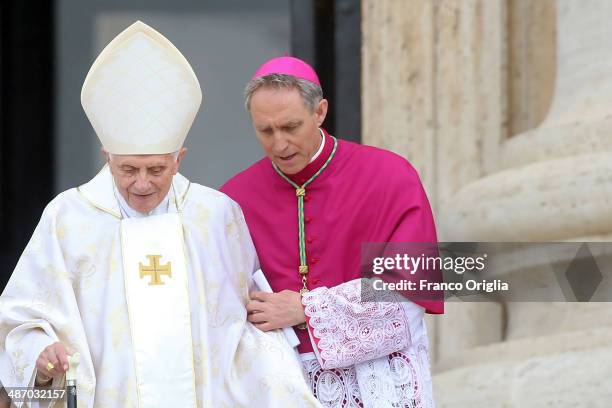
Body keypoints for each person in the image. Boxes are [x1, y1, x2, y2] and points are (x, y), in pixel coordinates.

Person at [0, 23, 319, 408]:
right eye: (128, 170)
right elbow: (22, 316)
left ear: (178, 159)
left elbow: (244, 329)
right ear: (108, 158)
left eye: (156, 170)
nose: (142, 184)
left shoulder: (216, 215)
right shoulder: (68, 217)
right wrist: (42, 353)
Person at [220, 56, 444, 407]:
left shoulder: (389, 178)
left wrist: (305, 309)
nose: (279, 144)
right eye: (265, 131)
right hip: (281, 385)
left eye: (291, 127)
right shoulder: (233, 200)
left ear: (320, 112)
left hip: (377, 383)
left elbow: (409, 296)